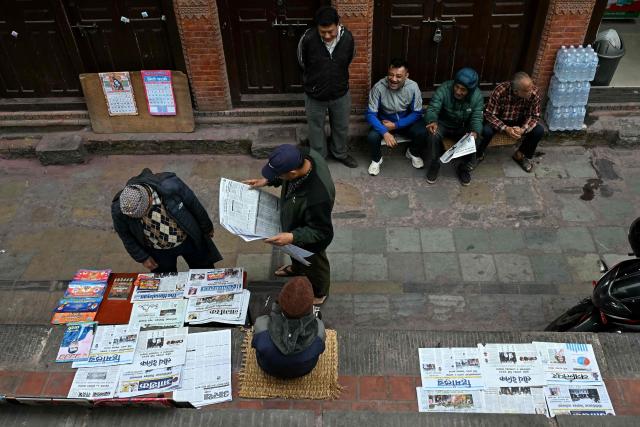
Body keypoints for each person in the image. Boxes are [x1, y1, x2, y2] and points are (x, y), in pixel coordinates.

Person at [244, 144, 335, 305]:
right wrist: (267, 180)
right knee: (295, 251)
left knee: (316, 265)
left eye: (278, 175)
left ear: (292, 173)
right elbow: (282, 175)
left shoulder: (317, 197)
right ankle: (297, 269)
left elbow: (323, 233)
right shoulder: (303, 153)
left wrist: (293, 236)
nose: (277, 177)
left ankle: (320, 293)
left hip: (311, 238)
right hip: (296, 218)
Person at [111, 168, 222, 273]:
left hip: (188, 238)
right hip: (158, 250)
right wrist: (142, 257)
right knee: (164, 280)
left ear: (150, 199)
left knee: (204, 269)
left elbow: (194, 205)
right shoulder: (119, 208)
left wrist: (207, 227)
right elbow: (125, 235)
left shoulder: (170, 185)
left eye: (143, 213)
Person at [297, 6, 358, 168]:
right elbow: (301, 62)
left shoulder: (348, 38)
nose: (327, 35)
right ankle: (318, 157)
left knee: (341, 126)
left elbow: (349, 59)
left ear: (338, 24)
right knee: (315, 128)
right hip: (314, 94)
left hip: (340, 92)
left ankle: (340, 153)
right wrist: (315, 81)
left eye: (330, 31)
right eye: (322, 32)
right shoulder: (308, 38)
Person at [252, 276, 326, 378]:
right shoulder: (319, 329)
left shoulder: (261, 325)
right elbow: (320, 350)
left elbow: (256, 344)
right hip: (304, 369)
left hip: (268, 368)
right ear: (310, 308)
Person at [365, 58, 426, 176]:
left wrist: (396, 125)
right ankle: (377, 159)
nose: (393, 79)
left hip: (404, 122)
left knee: (423, 131)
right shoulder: (378, 87)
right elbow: (370, 114)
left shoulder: (413, 87)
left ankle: (412, 152)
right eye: (391, 75)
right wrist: (384, 132)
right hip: (385, 123)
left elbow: (417, 112)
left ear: (406, 75)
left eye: (398, 76)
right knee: (372, 136)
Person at [424, 67, 483, 186]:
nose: (458, 91)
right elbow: (433, 107)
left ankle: (464, 167)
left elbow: (477, 117)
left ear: (470, 91)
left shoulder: (477, 97)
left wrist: (475, 132)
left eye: (463, 90)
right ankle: (434, 164)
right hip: (443, 124)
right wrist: (432, 120)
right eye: (457, 87)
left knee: (475, 139)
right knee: (433, 134)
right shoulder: (444, 89)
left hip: (462, 127)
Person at [480, 71, 543, 173]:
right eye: (527, 90)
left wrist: (523, 129)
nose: (531, 91)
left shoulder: (534, 93)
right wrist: (505, 128)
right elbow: (489, 115)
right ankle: (478, 154)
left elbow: (535, 116)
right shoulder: (500, 91)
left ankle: (520, 155)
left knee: (539, 130)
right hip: (500, 119)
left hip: (519, 120)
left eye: (531, 87)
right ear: (516, 91)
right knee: (486, 130)